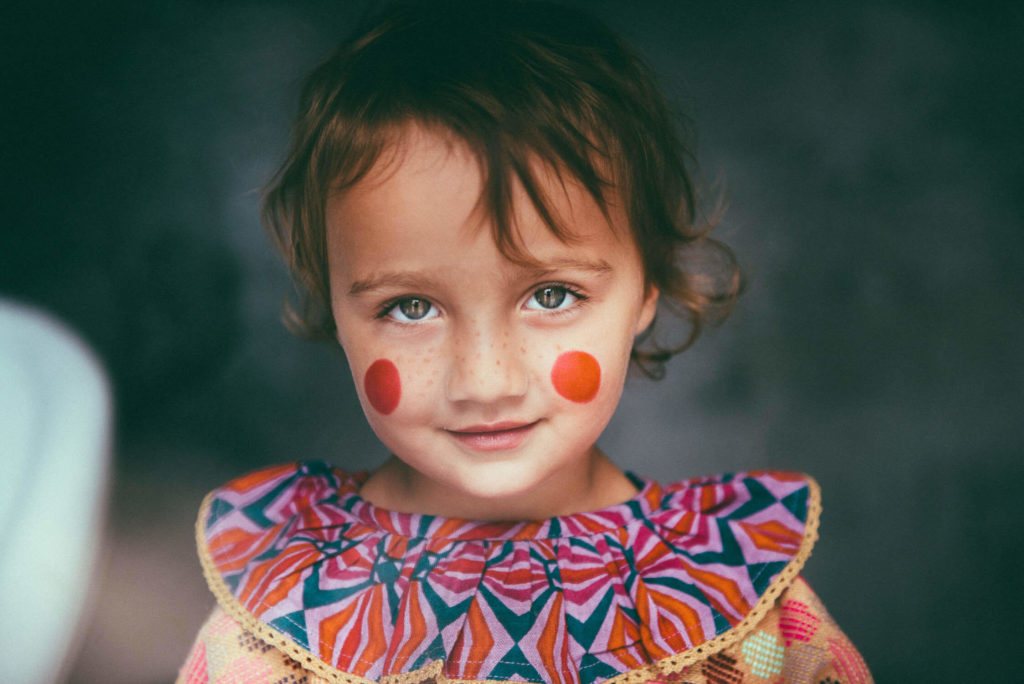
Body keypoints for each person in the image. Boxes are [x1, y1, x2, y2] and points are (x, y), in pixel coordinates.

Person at [178, 1, 871, 682]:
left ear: (648, 290)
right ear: (334, 308)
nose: (485, 381)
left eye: (551, 295)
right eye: (411, 307)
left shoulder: (749, 619)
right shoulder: (279, 624)